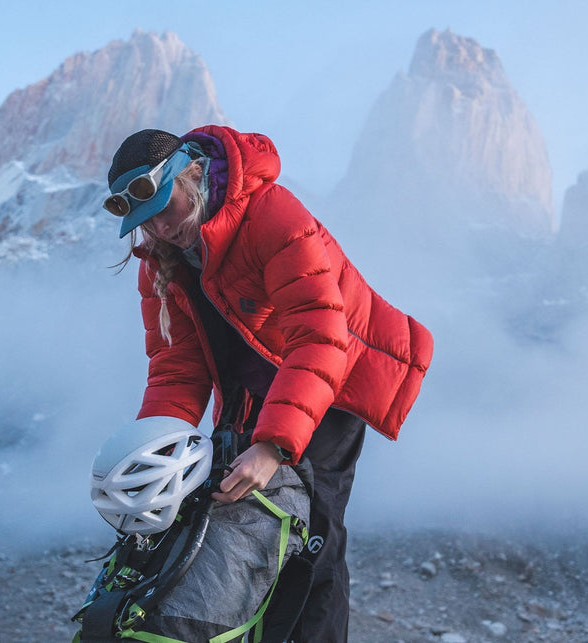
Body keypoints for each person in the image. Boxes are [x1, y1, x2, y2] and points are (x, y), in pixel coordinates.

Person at [104, 125, 433, 641]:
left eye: (166, 209)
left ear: (192, 175)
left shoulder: (270, 213)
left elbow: (322, 336)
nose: (161, 229)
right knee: (239, 526)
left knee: (312, 538)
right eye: (147, 222)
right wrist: (153, 461)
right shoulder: (160, 262)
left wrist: (273, 446)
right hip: (251, 388)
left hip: (330, 383)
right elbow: (176, 367)